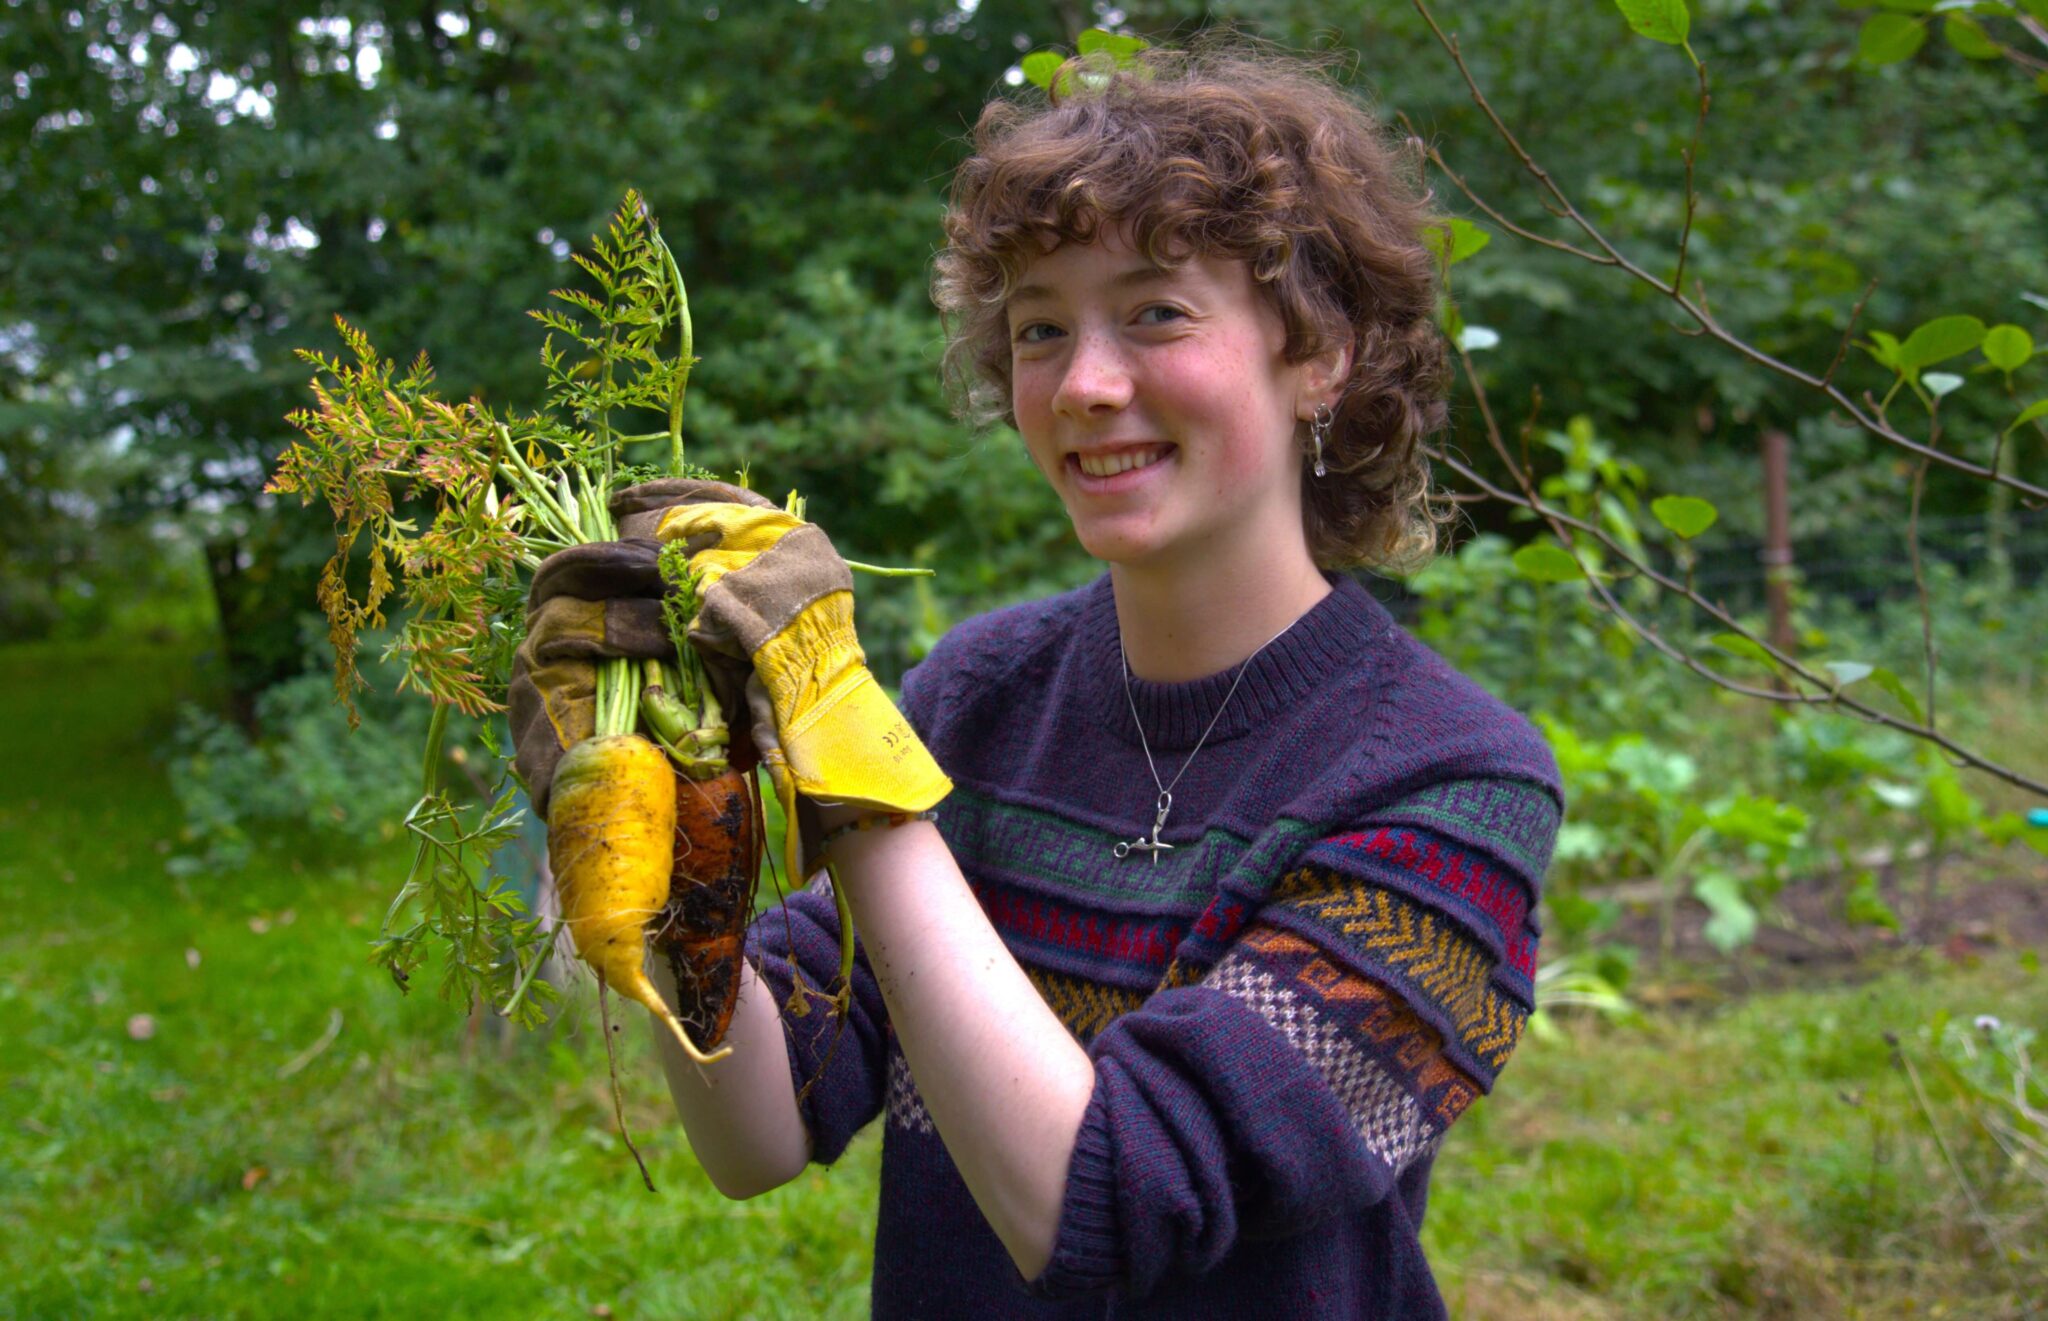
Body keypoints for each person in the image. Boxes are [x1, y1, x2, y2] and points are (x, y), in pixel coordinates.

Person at [513, 37, 1561, 1319]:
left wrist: (852, 769)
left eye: (1156, 312)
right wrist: (662, 811)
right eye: (1039, 328)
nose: (1084, 385)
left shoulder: (1454, 782)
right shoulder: (980, 693)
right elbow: (760, 1132)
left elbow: (1110, 1200)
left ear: (1321, 352)